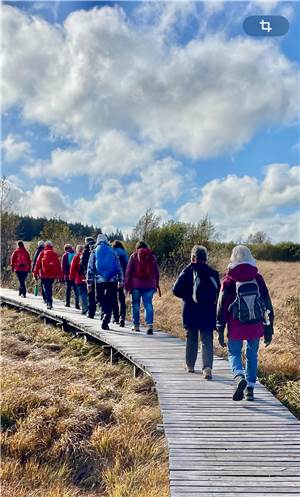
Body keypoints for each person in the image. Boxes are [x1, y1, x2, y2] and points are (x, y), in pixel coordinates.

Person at [216, 245, 274, 401]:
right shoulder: (257, 278)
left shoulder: (229, 279)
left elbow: (221, 305)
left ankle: (238, 375)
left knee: (234, 352)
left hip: (235, 324)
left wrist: (220, 328)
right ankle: (250, 388)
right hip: (255, 324)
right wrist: (269, 328)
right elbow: (267, 303)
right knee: (252, 354)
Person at [173, 245, 220, 379]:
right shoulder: (213, 273)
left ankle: (190, 366)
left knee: (191, 337)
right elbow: (219, 294)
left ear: (193, 258)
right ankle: (207, 369)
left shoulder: (189, 271)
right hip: (208, 312)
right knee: (206, 340)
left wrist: (186, 268)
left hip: (191, 311)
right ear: (206, 258)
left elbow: (176, 290)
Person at [87, 234, 123, 330]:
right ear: (107, 241)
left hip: (99, 280)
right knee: (111, 298)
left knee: (99, 297)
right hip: (112, 279)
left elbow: (90, 268)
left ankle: (106, 313)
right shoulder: (112, 251)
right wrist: (120, 280)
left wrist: (89, 283)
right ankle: (107, 318)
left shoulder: (94, 251)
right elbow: (118, 266)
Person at [125, 241, 160, 335]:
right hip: (149, 285)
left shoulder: (134, 256)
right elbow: (157, 272)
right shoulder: (152, 256)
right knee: (148, 304)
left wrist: (127, 286)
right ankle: (149, 325)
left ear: (137, 247)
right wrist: (156, 284)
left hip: (136, 285)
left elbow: (128, 272)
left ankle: (136, 326)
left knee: (135, 304)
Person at [34, 240, 62, 310]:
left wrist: (35, 273)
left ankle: (49, 302)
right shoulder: (54, 254)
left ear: (45, 246)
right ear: (51, 246)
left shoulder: (42, 253)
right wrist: (59, 275)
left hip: (44, 274)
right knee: (49, 287)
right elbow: (58, 265)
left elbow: (37, 264)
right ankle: (49, 301)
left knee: (46, 288)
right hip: (52, 275)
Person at [112, 240, 129, 327]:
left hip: (114, 278)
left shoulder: (112, 252)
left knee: (114, 298)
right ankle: (122, 318)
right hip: (124, 278)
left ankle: (116, 318)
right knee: (122, 299)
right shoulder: (125, 254)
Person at [80, 236, 96, 318]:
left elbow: (82, 262)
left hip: (89, 274)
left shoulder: (86, 249)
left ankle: (91, 313)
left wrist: (83, 272)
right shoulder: (98, 248)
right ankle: (103, 313)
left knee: (90, 294)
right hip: (100, 276)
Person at [69, 245, 88, 315]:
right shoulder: (87, 256)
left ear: (77, 250)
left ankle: (84, 308)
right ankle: (88, 307)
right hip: (86, 278)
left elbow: (72, 268)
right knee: (87, 293)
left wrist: (71, 277)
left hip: (78, 279)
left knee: (82, 294)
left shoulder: (76, 257)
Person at [61, 244, 80, 309]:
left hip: (67, 275)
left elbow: (63, 267)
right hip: (75, 275)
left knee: (68, 290)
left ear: (66, 249)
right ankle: (77, 304)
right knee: (76, 290)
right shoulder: (76, 255)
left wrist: (62, 276)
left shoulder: (65, 255)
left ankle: (67, 303)